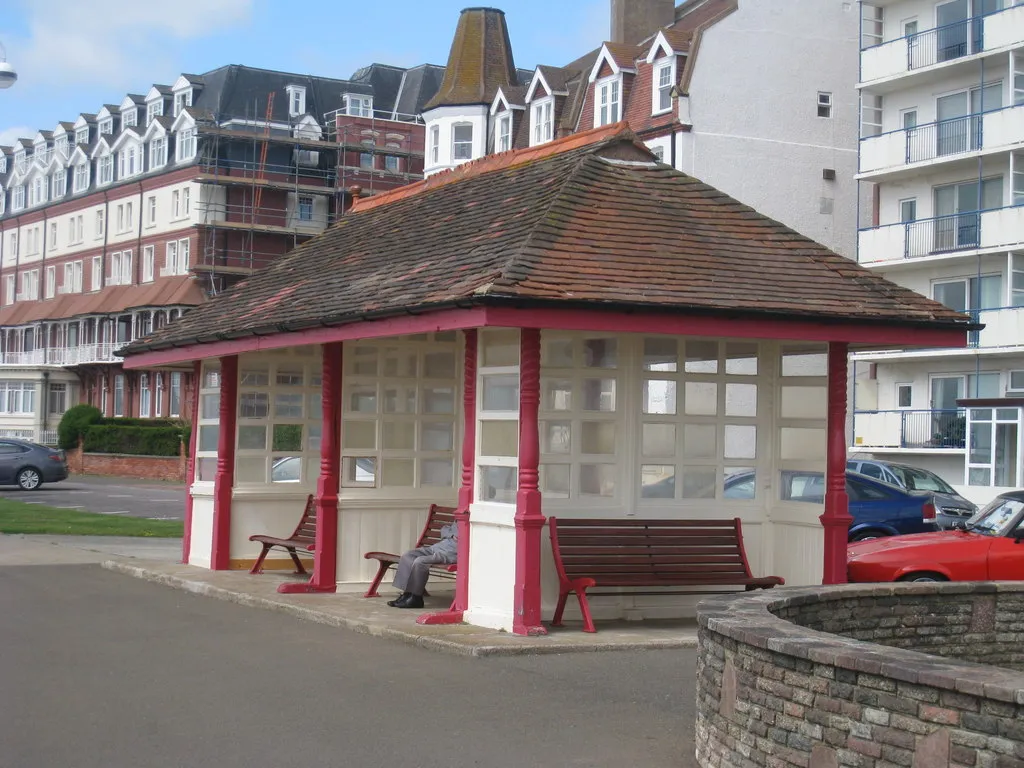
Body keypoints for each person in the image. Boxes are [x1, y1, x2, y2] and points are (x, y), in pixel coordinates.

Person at [387, 520, 458, 609]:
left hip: (451, 554)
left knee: (420, 561)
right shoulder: (459, 517)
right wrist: (452, 535)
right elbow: (444, 530)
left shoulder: (471, 521)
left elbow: (460, 536)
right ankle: (407, 594)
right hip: (436, 548)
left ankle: (416, 598)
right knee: (407, 556)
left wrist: (453, 535)